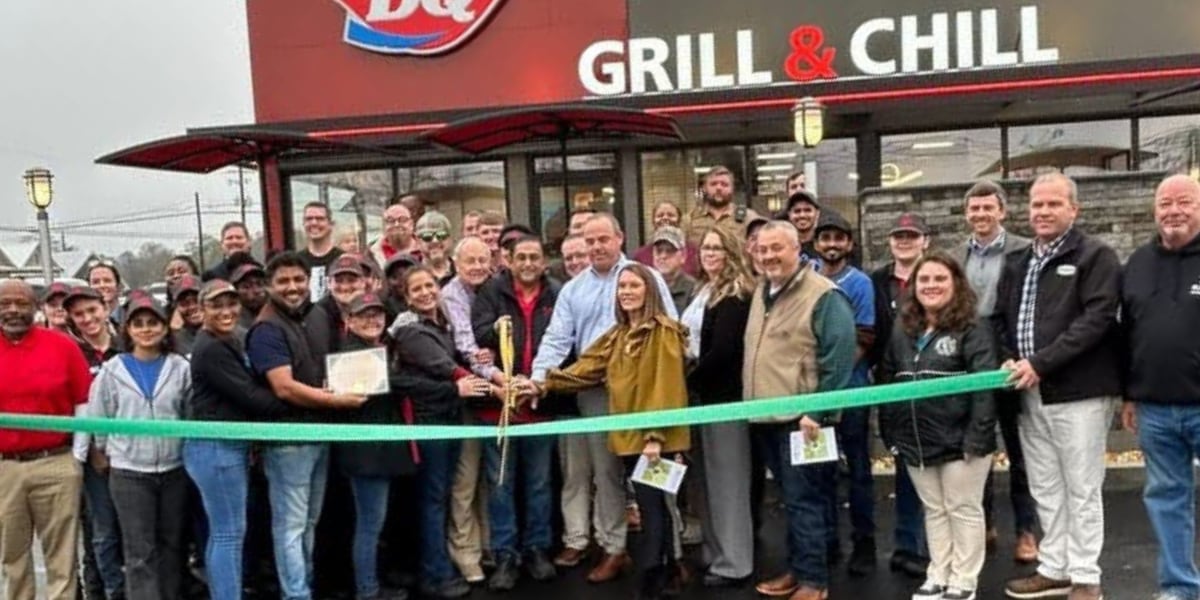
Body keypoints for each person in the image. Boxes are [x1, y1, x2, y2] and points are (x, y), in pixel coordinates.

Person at [529, 263, 691, 600]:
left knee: (655, 507)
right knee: (651, 506)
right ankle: (669, 572)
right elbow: (586, 368)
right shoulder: (618, 334)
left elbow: (666, 386)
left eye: (634, 286)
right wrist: (543, 383)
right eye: (622, 287)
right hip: (628, 436)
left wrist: (654, 436)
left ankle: (653, 577)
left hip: (654, 438)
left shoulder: (663, 332)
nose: (627, 292)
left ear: (649, 291)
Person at [995, 173, 1122, 600]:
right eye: (1037, 204)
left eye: (1053, 204)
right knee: (1046, 485)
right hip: (1029, 393)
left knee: (1082, 487)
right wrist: (1008, 357)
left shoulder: (1096, 256)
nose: (1043, 212)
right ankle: (1055, 567)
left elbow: (1096, 320)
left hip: (1079, 392)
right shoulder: (1018, 261)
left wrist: (1041, 363)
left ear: (1074, 209)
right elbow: (1001, 319)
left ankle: (1086, 577)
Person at [744, 221, 857, 600]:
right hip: (766, 416)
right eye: (762, 249)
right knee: (796, 501)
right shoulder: (762, 291)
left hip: (804, 420)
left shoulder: (824, 295)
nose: (769, 256)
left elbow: (839, 357)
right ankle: (803, 567)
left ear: (797, 249)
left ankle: (813, 582)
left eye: (777, 248)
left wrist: (818, 412)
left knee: (805, 499)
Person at [246, 251, 368, 600]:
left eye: (298, 279)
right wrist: (335, 401)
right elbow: (284, 387)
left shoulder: (316, 315)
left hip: (319, 434)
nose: (292, 287)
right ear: (270, 285)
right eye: (283, 281)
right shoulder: (266, 329)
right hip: (289, 441)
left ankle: (304, 586)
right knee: (291, 525)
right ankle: (295, 594)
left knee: (309, 522)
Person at [878, 252, 998, 600]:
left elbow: (985, 386)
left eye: (940, 279)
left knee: (963, 509)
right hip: (916, 439)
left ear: (956, 283)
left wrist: (977, 437)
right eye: (924, 279)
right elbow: (888, 377)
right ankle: (939, 574)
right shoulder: (903, 327)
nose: (931, 285)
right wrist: (892, 430)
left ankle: (964, 580)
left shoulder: (973, 327)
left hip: (961, 441)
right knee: (934, 509)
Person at [389, 266, 496, 599]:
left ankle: (440, 564)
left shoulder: (441, 323)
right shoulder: (410, 331)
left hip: (448, 418)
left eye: (429, 285)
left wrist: (483, 357)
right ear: (407, 297)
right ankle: (436, 573)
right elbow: (444, 367)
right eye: (416, 289)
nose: (425, 293)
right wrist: (495, 388)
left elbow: (458, 358)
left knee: (442, 494)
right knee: (433, 498)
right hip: (428, 424)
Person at [1119, 174, 1200, 600]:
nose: (1173, 211)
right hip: (1154, 409)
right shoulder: (1137, 263)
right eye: (1165, 204)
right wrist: (1129, 395)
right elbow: (1126, 333)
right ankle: (1179, 587)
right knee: (1168, 499)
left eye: (1184, 202)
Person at [185, 279, 290, 600]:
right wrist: (297, 399)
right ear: (202, 310)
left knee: (224, 532)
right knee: (228, 534)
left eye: (231, 304)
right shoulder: (211, 348)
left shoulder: (229, 340)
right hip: (216, 449)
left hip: (223, 447)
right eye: (216, 305)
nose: (226, 311)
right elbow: (251, 397)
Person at [470, 236, 561, 592]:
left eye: (534, 257)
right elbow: (478, 334)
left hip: (539, 404)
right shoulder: (491, 292)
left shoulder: (556, 292)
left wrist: (537, 383)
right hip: (499, 408)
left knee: (540, 484)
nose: (527, 263)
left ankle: (537, 548)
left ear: (544, 261)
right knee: (500, 485)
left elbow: (562, 339)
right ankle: (505, 554)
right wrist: (496, 335)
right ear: (509, 260)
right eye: (521, 257)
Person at [954, 180, 1038, 562]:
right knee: (977, 444)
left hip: (1012, 354)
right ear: (966, 214)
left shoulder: (1024, 249)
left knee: (1020, 450)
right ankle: (984, 523)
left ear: (1002, 211)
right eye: (974, 208)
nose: (981, 214)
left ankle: (1026, 530)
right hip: (971, 354)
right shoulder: (955, 255)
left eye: (988, 207)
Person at [87, 295, 192, 600]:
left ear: (165, 328)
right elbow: (100, 416)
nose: (146, 329)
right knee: (139, 550)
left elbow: (188, 413)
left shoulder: (180, 367)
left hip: (173, 469)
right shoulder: (112, 370)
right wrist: (106, 450)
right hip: (129, 473)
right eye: (139, 324)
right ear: (128, 330)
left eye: (153, 323)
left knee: (172, 544)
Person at [0, 279, 90, 600]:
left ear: (36, 308)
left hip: (55, 462)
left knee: (61, 557)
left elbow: (83, 402)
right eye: (5, 303)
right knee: (12, 556)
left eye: (21, 303)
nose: (13, 310)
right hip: (5, 468)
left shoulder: (62, 346)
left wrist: (77, 457)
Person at [679, 226, 756, 587]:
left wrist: (688, 382)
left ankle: (735, 563)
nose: (709, 254)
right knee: (706, 483)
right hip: (701, 399)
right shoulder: (702, 290)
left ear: (732, 253)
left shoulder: (735, 295)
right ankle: (714, 552)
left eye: (717, 248)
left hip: (723, 400)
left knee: (728, 484)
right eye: (705, 248)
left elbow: (724, 352)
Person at [334, 292, 417, 600]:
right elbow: (402, 384)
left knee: (374, 524)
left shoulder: (375, 348)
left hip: (377, 455)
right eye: (364, 315)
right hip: (366, 457)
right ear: (349, 320)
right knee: (369, 525)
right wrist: (451, 386)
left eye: (377, 314)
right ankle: (367, 590)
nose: (372, 320)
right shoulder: (354, 356)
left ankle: (372, 583)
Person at [812, 210, 878, 576]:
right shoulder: (807, 277)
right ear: (816, 244)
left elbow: (864, 338)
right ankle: (828, 541)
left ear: (849, 244)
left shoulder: (860, 283)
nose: (832, 244)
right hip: (816, 395)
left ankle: (864, 543)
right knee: (820, 469)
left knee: (858, 469)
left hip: (851, 391)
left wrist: (833, 379)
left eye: (839, 238)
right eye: (825, 238)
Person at [870, 212, 933, 579]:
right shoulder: (876, 281)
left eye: (912, 235)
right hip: (891, 383)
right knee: (904, 466)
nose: (905, 241)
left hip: (934, 383)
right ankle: (907, 546)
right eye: (899, 235)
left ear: (926, 240)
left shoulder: (938, 275)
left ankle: (934, 548)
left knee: (937, 468)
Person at [440, 237, 503, 584]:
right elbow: (466, 346)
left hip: (494, 398)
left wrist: (494, 356)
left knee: (492, 480)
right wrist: (494, 375)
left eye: (482, 260)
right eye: (470, 261)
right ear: (456, 263)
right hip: (467, 397)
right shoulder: (452, 295)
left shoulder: (495, 287)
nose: (477, 267)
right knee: (465, 479)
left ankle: (489, 545)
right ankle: (465, 552)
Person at [64, 285, 127, 600]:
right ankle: (111, 590)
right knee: (102, 530)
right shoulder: (70, 352)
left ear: (105, 308)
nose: (87, 319)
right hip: (93, 457)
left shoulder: (126, 344)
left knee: (132, 528)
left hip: (131, 452)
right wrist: (93, 451)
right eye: (79, 314)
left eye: (92, 310)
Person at [686, 166, 759, 246]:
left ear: (732, 188)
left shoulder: (749, 218)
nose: (718, 188)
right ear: (704, 188)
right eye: (713, 184)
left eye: (724, 184)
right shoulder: (690, 219)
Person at [634, 202, 699, 276]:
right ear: (653, 221)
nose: (665, 218)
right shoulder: (641, 256)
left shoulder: (693, 252)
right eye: (660, 215)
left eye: (671, 215)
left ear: (679, 220)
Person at [298, 202, 345, 302]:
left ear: (331, 224)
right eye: (309, 219)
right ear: (303, 224)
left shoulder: (343, 259)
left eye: (320, 219)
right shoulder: (296, 261)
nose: (314, 223)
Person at [649, 225, 697, 314]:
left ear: (683, 255)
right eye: (659, 251)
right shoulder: (646, 286)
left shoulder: (694, 290)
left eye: (670, 251)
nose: (663, 256)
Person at [417, 211, 456, 284]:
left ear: (450, 239)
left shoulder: (462, 271)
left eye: (441, 235)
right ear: (418, 242)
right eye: (427, 236)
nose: (435, 241)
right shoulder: (411, 275)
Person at [169, 275, 203, 357]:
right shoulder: (171, 342)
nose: (192, 307)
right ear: (176, 307)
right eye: (185, 303)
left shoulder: (226, 332)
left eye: (197, 300)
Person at [231, 262, 268, 331]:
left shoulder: (275, 314)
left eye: (260, 284)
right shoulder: (230, 321)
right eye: (247, 286)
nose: (256, 290)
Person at [87, 260, 124, 325]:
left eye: (107, 281)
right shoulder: (85, 322)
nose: (102, 285)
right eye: (95, 282)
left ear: (118, 286)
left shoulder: (131, 316)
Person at [785, 190, 821, 257]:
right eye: (797, 211)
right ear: (789, 214)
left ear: (817, 213)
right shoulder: (784, 246)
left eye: (807, 210)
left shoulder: (825, 244)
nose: (802, 215)